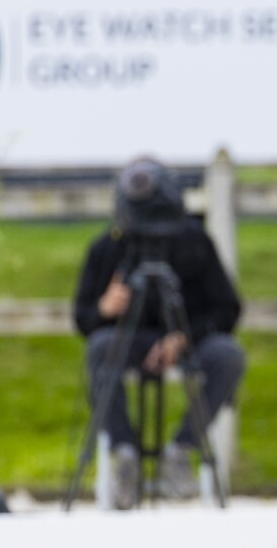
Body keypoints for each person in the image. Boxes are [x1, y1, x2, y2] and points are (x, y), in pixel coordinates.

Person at [73, 158, 246, 508]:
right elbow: (82, 319)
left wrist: (184, 337)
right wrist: (104, 309)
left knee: (228, 355)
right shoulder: (107, 248)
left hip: (189, 340)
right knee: (98, 348)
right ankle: (125, 455)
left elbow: (229, 309)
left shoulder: (195, 243)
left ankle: (181, 450)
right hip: (129, 340)